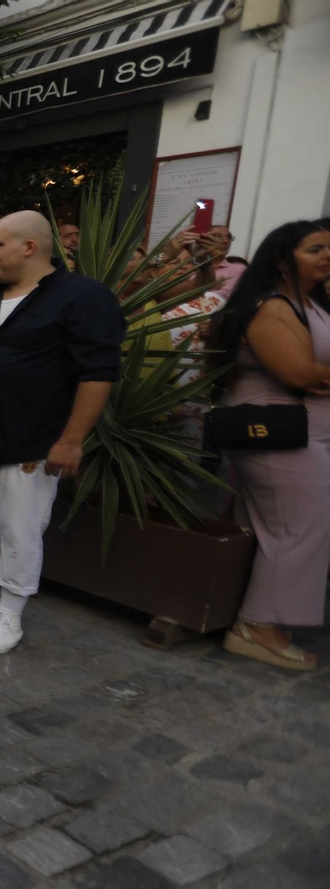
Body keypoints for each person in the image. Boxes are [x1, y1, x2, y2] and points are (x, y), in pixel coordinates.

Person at [0, 211, 124, 655]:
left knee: (20, 528)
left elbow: (98, 373)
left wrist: (71, 440)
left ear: (30, 247)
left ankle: (10, 614)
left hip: (33, 437)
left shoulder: (82, 297)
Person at [209, 220, 330, 670]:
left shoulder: (309, 303)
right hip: (276, 430)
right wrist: (317, 375)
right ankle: (256, 627)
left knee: (283, 525)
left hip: (301, 431)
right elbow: (299, 372)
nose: (327, 256)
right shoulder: (271, 307)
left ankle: (258, 615)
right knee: (298, 526)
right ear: (282, 261)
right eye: (315, 249)